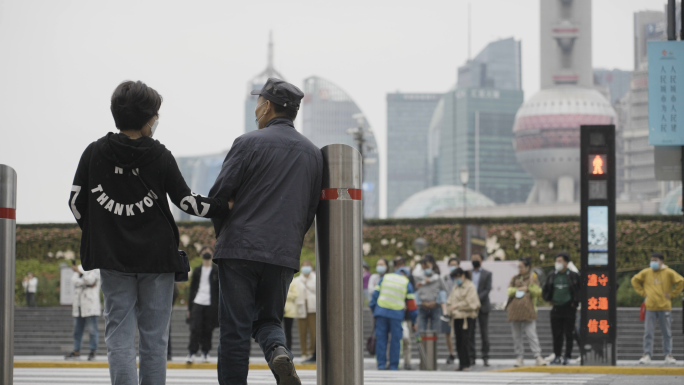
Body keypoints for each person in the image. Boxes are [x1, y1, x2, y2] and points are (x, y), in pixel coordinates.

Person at [68, 80, 231, 385]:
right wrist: (224, 206)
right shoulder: (159, 155)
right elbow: (186, 201)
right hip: (158, 260)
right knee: (154, 341)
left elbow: (76, 202)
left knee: (118, 337)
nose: (157, 120)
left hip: (113, 260)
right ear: (147, 119)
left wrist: (104, 234)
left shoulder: (94, 153)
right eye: (156, 114)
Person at [208, 77, 322, 385]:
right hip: (282, 253)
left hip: (240, 248)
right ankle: (277, 352)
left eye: (259, 102)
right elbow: (309, 212)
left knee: (235, 329)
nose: (257, 108)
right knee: (270, 319)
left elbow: (218, 199)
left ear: (267, 106)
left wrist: (226, 232)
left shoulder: (247, 143)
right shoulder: (313, 154)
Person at [631, 252, 684, 365]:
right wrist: (642, 293)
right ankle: (647, 355)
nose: (653, 263)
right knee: (648, 332)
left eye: (655, 260)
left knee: (667, 333)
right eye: (652, 260)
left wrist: (672, 294)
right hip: (650, 307)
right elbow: (634, 280)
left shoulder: (669, 272)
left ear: (662, 261)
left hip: (664, 307)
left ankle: (668, 355)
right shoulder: (646, 272)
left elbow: (681, 281)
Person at [369, 266, 418, 370]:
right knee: (395, 341)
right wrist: (414, 321)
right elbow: (411, 305)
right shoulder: (406, 282)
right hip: (396, 314)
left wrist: (375, 311)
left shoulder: (385, 277)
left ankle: (381, 365)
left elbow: (375, 296)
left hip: (381, 312)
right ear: (406, 275)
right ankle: (393, 366)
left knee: (381, 339)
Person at [542, 251, 580, 365]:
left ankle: (567, 356)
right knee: (556, 334)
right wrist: (548, 299)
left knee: (569, 333)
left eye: (560, 261)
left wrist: (575, 302)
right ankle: (557, 355)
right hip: (556, 308)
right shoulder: (552, 275)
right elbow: (546, 289)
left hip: (569, 308)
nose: (557, 263)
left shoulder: (573, 275)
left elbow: (579, 290)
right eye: (556, 261)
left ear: (566, 263)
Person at [507, 257, 546, 367]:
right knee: (516, 336)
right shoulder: (515, 278)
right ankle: (519, 357)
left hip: (529, 311)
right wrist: (518, 289)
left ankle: (537, 356)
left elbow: (537, 291)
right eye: (518, 267)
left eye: (521, 267)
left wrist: (528, 288)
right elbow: (509, 291)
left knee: (531, 334)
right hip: (515, 311)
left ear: (527, 267)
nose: (519, 269)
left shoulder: (533, 278)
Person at [186, 246, 220, 364]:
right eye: (205, 252)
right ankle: (192, 353)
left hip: (211, 304)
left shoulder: (216, 270)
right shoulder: (197, 270)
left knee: (208, 329)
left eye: (209, 252)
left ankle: (205, 353)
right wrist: (189, 308)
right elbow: (192, 290)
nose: (207, 254)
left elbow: (219, 291)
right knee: (195, 328)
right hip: (198, 301)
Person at [64, 262, 101, 361]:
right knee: (77, 331)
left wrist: (80, 274)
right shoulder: (80, 267)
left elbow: (91, 280)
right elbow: (74, 281)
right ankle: (76, 351)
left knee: (93, 330)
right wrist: (86, 281)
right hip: (79, 304)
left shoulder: (96, 268)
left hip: (91, 305)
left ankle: (93, 351)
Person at [447, 268, 480, 371]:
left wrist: (456, 307)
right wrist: (451, 309)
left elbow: (471, 303)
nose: (456, 279)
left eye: (457, 277)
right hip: (457, 317)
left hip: (467, 318)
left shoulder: (470, 286)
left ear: (462, 275)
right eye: (455, 278)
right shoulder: (455, 287)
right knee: (458, 341)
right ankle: (462, 363)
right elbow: (450, 301)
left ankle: (467, 364)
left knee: (466, 341)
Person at [415, 255, 448, 346]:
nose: (426, 268)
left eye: (427, 266)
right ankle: (422, 356)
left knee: (435, 332)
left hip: (435, 308)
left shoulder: (438, 277)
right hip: (422, 307)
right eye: (423, 267)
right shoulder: (418, 277)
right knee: (420, 332)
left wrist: (436, 301)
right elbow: (415, 291)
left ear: (432, 265)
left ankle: (432, 355)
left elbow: (445, 291)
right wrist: (422, 302)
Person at [467, 254, 492, 367]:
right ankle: (472, 356)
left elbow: (487, 289)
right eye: (473, 259)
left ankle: (485, 356)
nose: (475, 260)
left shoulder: (487, 274)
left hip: (482, 306)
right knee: (470, 333)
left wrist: (476, 298)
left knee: (484, 333)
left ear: (482, 260)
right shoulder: (468, 273)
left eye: (477, 259)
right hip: (470, 307)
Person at [295, 260, 317, 363]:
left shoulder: (316, 278)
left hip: (313, 308)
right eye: (304, 266)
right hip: (301, 308)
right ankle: (303, 352)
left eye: (308, 265)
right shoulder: (297, 280)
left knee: (314, 333)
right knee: (302, 332)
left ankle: (311, 351)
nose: (306, 267)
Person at [442, 257, 460, 364]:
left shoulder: (461, 279)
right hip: (448, 309)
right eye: (451, 265)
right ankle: (451, 353)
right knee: (447, 333)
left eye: (455, 264)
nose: (453, 267)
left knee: (459, 332)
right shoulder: (444, 278)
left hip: (459, 308)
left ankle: (460, 353)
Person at [283, 278, 304, 352]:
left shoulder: (293, 281)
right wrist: (288, 292)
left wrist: (283, 293)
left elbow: (295, 294)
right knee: (276, 330)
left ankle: (288, 349)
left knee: (288, 331)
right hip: (278, 309)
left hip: (289, 311)